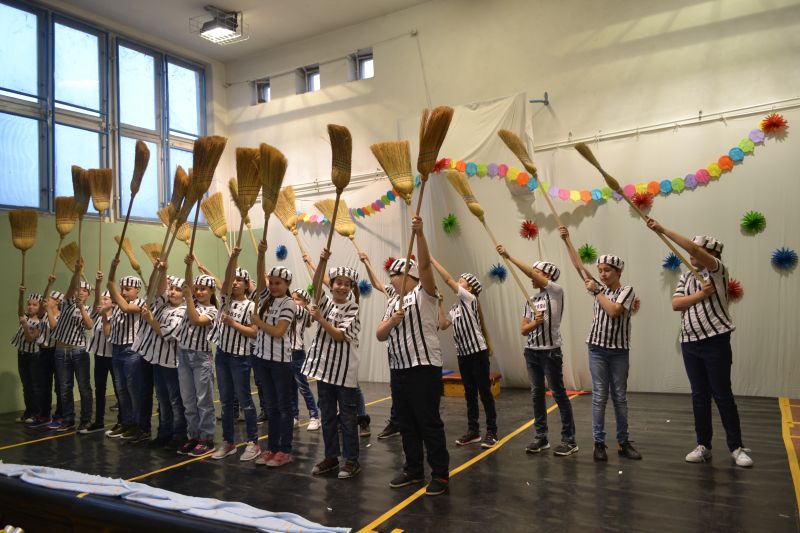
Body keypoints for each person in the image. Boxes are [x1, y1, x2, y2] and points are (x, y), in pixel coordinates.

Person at [646, 218, 752, 467]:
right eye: (693, 251)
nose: (691, 254)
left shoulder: (718, 271)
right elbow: (676, 304)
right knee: (699, 396)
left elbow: (692, 249)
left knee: (722, 394)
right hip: (690, 343)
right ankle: (703, 445)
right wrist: (701, 295)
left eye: (699, 251)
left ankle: (736, 447)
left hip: (716, 341)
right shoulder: (687, 278)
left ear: (711, 254)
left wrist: (663, 229)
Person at [376, 216, 449, 496]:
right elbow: (380, 334)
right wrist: (392, 321)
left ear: (407, 276)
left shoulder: (424, 293)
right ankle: (413, 469)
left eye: (393, 277)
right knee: (406, 423)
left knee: (428, 422)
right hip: (399, 368)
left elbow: (427, 266)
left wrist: (419, 234)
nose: (391, 282)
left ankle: (440, 474)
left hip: (423, 367)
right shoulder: (392, 302)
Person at [559, 226, 642, 462]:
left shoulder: (626, 290)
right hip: (596, 349)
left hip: (619, 352)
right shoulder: (599, 287)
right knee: (599, 396)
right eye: (600, 271)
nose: (603, 274)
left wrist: (596, 291)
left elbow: (614, 310)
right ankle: (599, 443)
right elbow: (578, 267)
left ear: (618, 271)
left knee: (620, 397)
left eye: (607, 270)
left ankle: (623, 441)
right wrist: (567, 241)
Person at [497, 245, 578, 456]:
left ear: (548, 276)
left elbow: (532, 275)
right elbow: (523, 330)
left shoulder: (556, 292)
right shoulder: (531, 300)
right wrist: (535, 323)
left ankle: (569, 440)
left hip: (550, 352)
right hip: (531, 352)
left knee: (558, 393)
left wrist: (510, 256)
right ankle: (541, 437)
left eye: (537, 273)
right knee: (536, 394)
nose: (532, 276)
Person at [303, 249, 362, 479]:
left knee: (347, 418)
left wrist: (320, 319)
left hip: (345, 373)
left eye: (347, 284)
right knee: (327, 416)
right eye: (338, 282)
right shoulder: (325, 303)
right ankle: (331, 457)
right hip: (324, 370)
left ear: (351, 288)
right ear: (332, 284)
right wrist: (321, 261)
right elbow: (316, 283)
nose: (342, 287)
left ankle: (352, 460)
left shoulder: (353, 308)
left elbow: (339, 335)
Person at [431, 257, 498, 448]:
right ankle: (473, 430)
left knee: (484, 392)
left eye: (461, 281)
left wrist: (432, 260)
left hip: (477, 353)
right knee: (469, 393)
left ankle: (492, 431)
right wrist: (440, 304)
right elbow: (443, 324)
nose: (457, 282)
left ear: (469, 289)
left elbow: (447, 280)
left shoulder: (470, 299)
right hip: (463, 355)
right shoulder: (456, 307)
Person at [209, 247, 260, 462]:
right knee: (226, 401)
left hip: (240, 357)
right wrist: (233, 258)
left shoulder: (251, 306)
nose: (235, 282)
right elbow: (226, 276)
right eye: (234, 279)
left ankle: (253, 442)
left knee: (245, 400)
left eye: (240, 280)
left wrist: (232, 323)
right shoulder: (225, 300)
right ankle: (228, 442)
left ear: (247, 285)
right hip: (222, 355)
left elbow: (254, 332)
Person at [251, 239, 297, 468]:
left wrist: (258, 322)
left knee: (283, 407)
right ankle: (271, 447)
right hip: (262, 359)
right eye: (271, 282)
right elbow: (260, 278)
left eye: (278, 283)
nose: (273, 286)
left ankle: (284, 450)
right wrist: (261, 254)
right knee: (270, 407)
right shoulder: (264, 298)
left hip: (280, 362)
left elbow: (279, 332)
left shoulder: (289, 303)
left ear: (287, 284)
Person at [137, 271, 187, 449]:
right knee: (162, 400)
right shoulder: (163, 306)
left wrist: (151, 320)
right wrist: (161, 270)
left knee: (175, 401)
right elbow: (156, 289)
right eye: (171, 288)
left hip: (172, 363)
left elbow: (168, 334)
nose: (172, 292)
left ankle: (179, 435)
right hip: (157, 360)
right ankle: (164, 433)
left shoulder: (183, 311)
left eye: (178, 290)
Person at [174, 255, 218, 457]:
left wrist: (189, 297)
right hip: (183, 355)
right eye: (197, 289)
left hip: (200, 358)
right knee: (188, 401)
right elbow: (188, 285)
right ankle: (193, 435)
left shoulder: (212, 310)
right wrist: (189, 266)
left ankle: (206, 439)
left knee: (203, 401)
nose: (199, 292)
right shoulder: (191, 301)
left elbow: (196, 320)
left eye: (204, 289)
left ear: (212, 291)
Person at [357, 250, 400, 439]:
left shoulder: (418, 292)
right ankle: (397, 421)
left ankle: (402, 420)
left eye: (395, 274)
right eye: (391, 275)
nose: (391, 278)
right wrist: (366, 263)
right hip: (394, 347)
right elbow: (376, 283)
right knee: (396, 386)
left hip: (410, 350)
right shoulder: (392, 291)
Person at [51, 261, 94, 432]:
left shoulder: (88, 309)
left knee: (84, 387)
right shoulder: (67, 304)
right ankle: (68, 419)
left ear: (88, 294)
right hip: (61, 350)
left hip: (78, 351)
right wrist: (76, 272)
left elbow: (89, 325)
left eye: (84, 290)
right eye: (78, 289)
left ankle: (86, 420)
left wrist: (82, 307)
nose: (80, 292)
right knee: (64, 387)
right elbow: (69, 289)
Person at [106, 259, 145, 440]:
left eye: (128, 289)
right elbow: (110, 285)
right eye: (122, 288)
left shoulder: (142, 303)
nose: (123, 292)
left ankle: (138, 425)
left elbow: (126, 307)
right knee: (121, 389)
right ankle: (127, 423)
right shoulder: (117, 304)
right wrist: (112, 269)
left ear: (137, 290)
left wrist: (112, 285)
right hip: (116, 348)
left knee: (133, 390)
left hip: (131, 350)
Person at [82, 271, 116, 434]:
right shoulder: (96, 314)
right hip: (99, 356)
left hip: (114, 357)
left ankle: (123, 421)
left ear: (113, 303)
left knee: (119, 389)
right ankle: (99, 421)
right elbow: (96, 301)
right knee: (99, 389)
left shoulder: (117, 316)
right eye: (101, 299)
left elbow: (110, 334)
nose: (102, 301)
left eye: (106, 299)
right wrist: (97, 284)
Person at [288, 288, 320, 431]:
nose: (293, 301)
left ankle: (314, 416)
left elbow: (293, 308)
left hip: (297, 354)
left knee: (303, 388)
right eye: (292, 298)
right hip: (286, 354)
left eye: (297, 299)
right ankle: (294, 416)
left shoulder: (302, 312)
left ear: (305, 302)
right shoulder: (290, 311)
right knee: (291, 388)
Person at [12, 289, 43, 425]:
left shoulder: (40, 322)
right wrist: (20, 294)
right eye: (29, 304)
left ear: (40, 307)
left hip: (33, 356)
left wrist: (25, 325)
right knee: (26, 385)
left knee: (35, 385)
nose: (30, 307)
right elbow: (19, 309)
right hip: (22, 353)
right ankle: (28, 412)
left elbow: (30, 338)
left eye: (34, 305)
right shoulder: (25, 316)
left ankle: (37, 414)